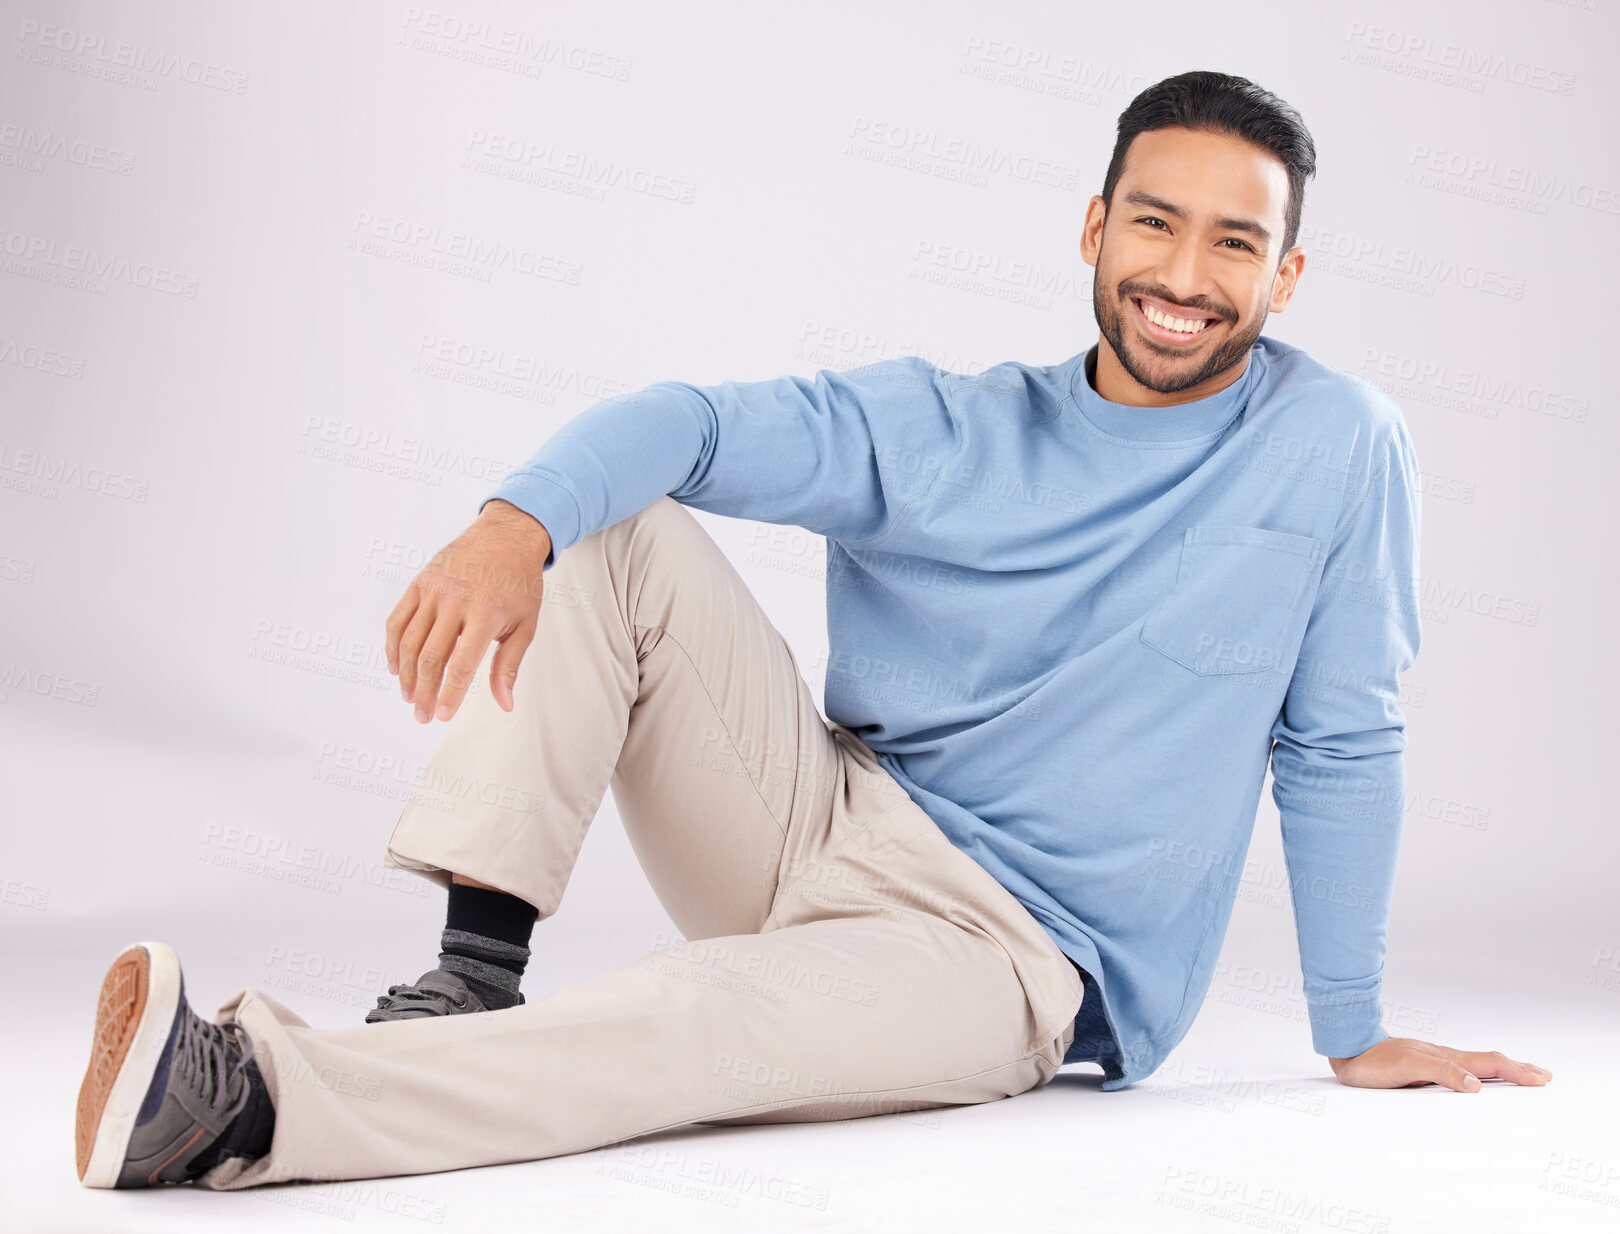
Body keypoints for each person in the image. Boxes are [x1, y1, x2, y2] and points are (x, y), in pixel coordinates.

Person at [74, 69, 1552, 1192]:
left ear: (1284, 277)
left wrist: (1352, 1026)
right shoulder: (955, 427)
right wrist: (507, 524)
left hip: (1016, 957)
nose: (1185, 275)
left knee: (695, 1014)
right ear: (1096, 227)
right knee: (618, 517)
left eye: (1236, 243)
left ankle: (247, 1102)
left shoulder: (1338, 444)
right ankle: (471, 969)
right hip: (820, 821)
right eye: (1155, 221)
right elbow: (688, 422)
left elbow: (1341, 731)